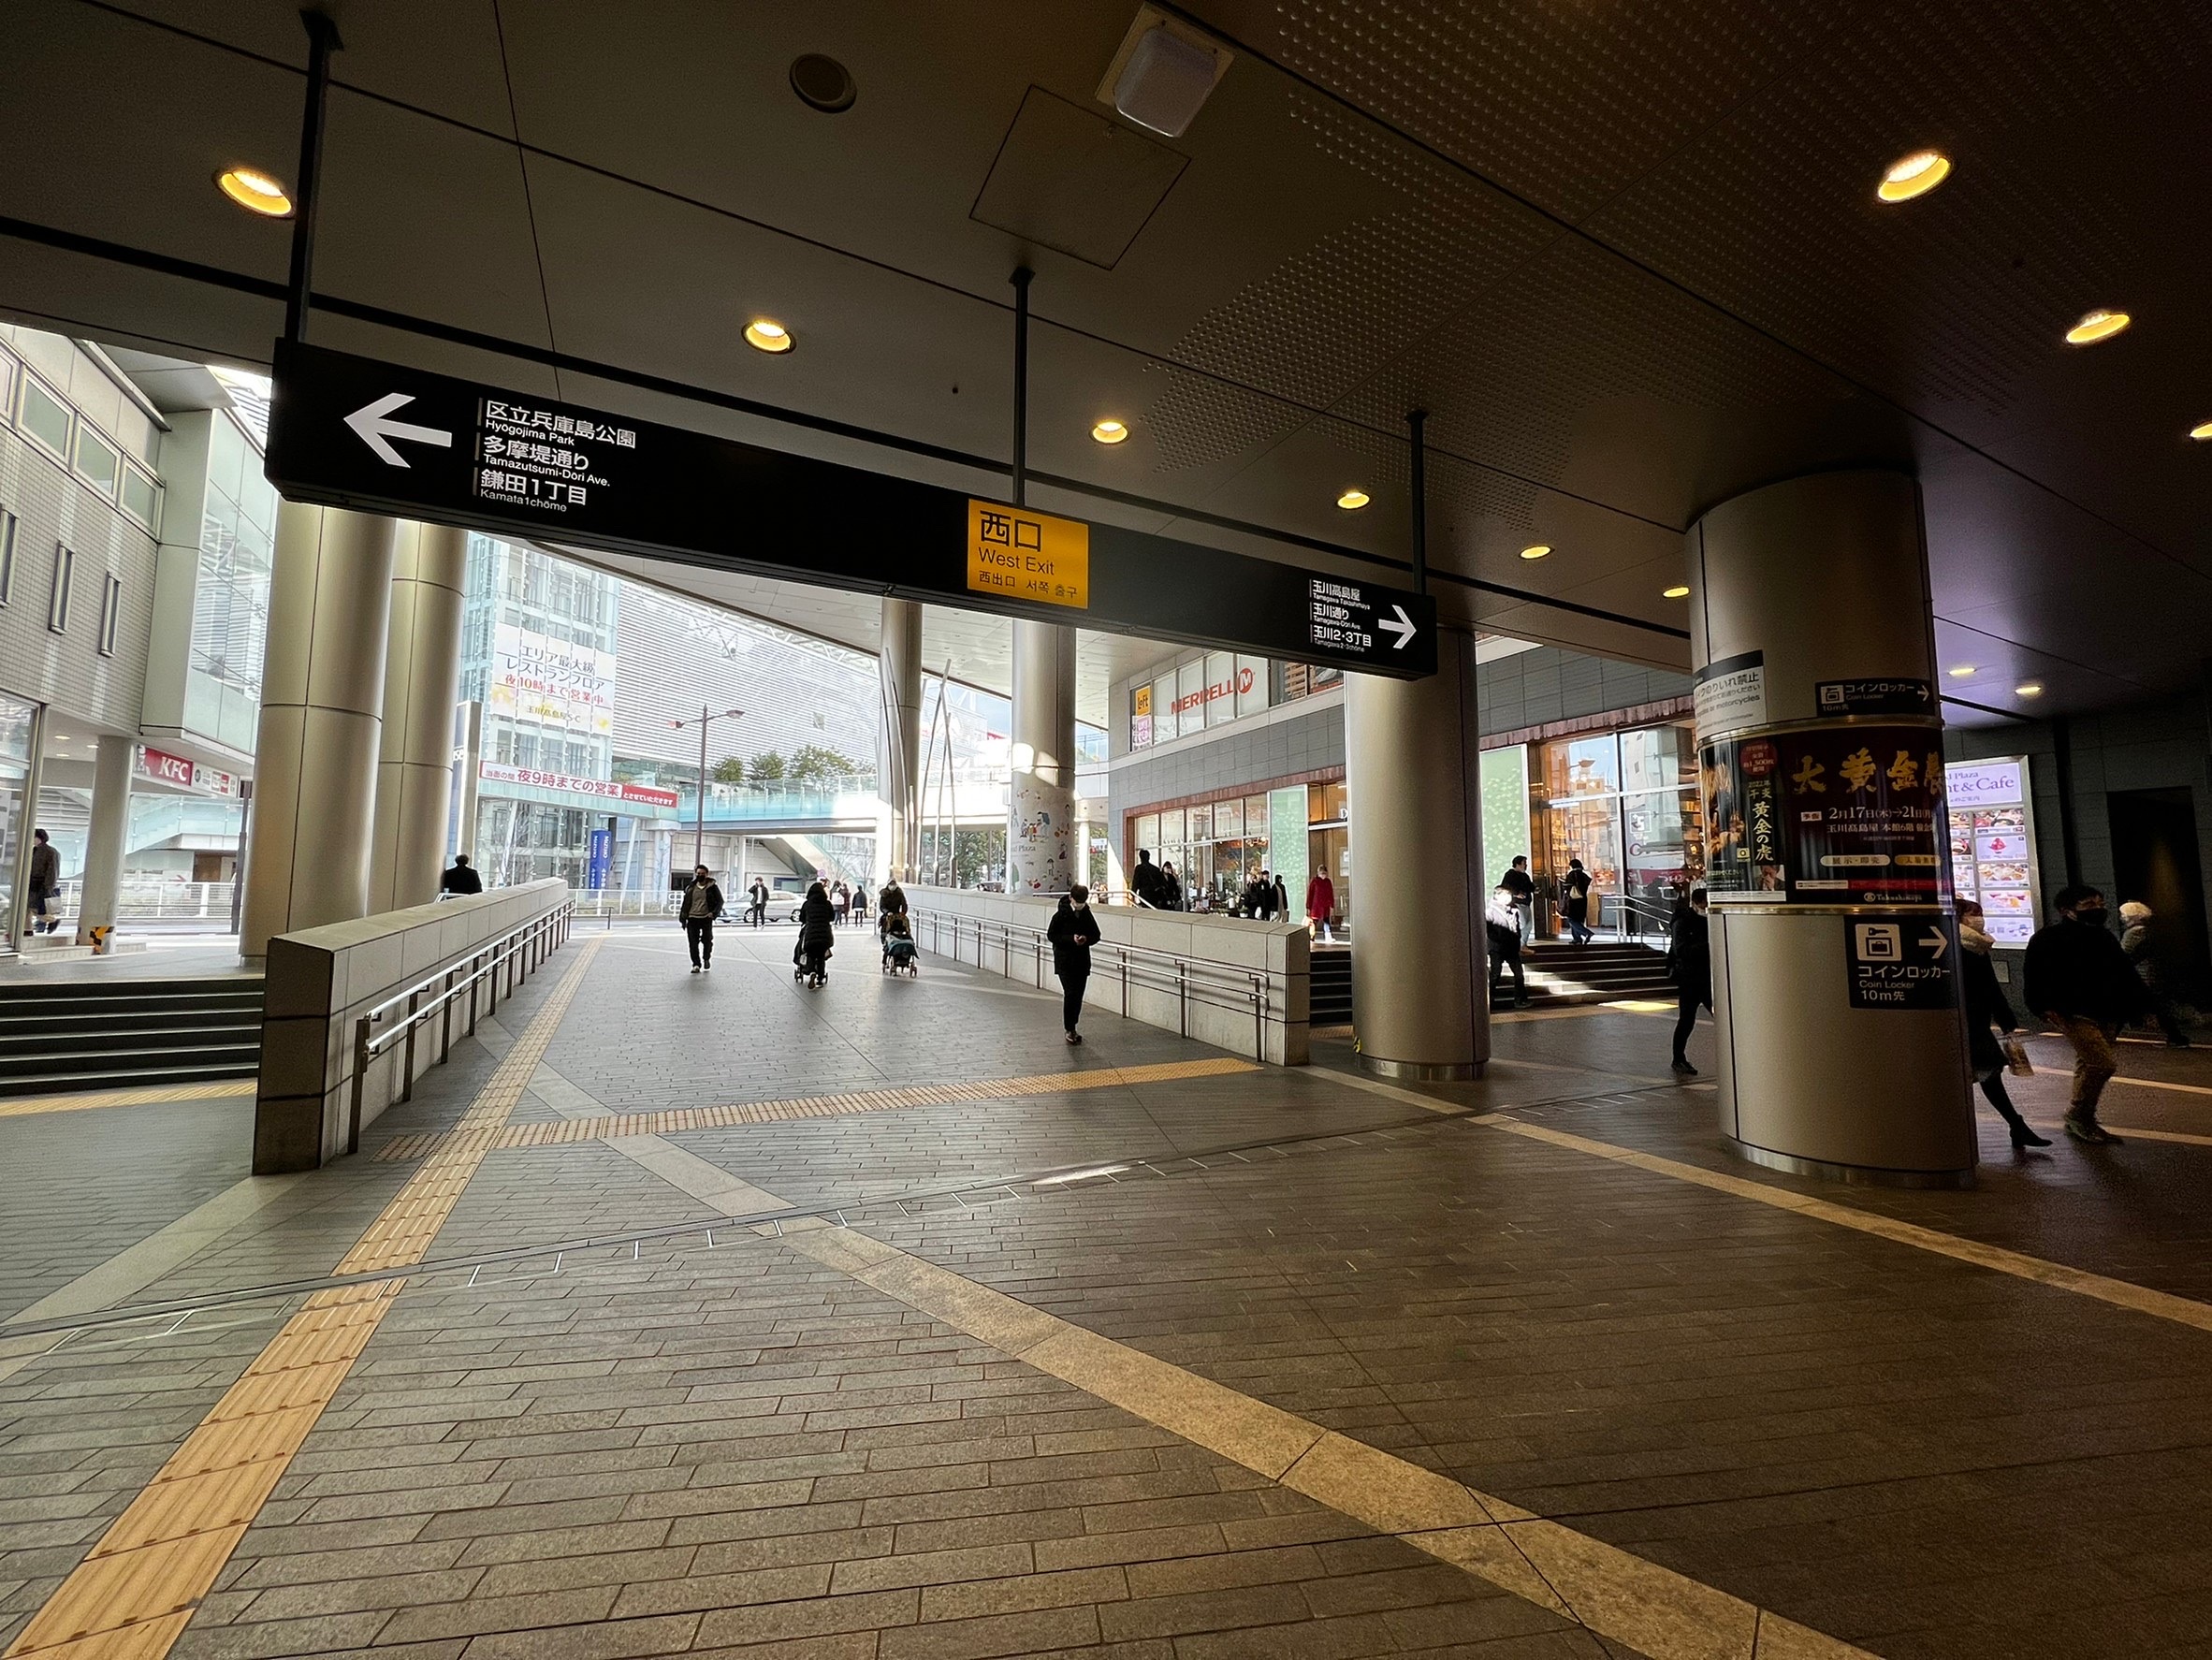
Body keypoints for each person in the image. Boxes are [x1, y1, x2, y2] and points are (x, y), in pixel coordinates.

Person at [2024, 884, 2148, 1144]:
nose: (2098, 909)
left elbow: (2125, 973)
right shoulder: (2048, 939)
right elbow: (2034, 976)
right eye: (2089, 905)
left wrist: (2141, 1006)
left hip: (2108, 1011)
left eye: (2100, 904)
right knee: (2102, 1064)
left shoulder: (2103, 936)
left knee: (2088, 1062)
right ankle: (2078, 1115)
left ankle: (2083, 1120)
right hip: (2073, 1012)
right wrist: (2041, 1007)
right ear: (2066, 910)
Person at [1959, 900, 2049, 1148]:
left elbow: (1990, 986)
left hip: (1976, 1022)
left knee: (1989, 1072)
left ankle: (2016, 1125)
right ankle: (2015, 1125)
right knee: (1987, 1073)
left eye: (1980, 913)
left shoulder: (1978, 945)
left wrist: (2005, 1017)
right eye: (1972, 914)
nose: (1978, 918)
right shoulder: (1953, 946)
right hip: (1961, 1021)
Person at [2119, 900, 2191, 1047]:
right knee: (2158, 1007)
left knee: (2138, 1005)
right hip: (2149, 974)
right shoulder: (2147, 930)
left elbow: (2124, 952)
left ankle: (2176, 1037)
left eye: (2123, 914)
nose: (2122, 918)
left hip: (2142, 974)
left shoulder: (2134, 932)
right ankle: (2176, 1037)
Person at [1048, 882, 1103, 1043]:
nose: (1080, 905)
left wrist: (1086, 939)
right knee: (1070, 993)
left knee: (1078, 995)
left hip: (1081, 961)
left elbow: (1096, 934)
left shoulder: (1086, 914)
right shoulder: (1060, 915)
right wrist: (1070, 939)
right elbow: (1052, 935)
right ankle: (1069, 1028)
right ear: (1071, 898)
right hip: (1065, 961)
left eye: (1082, 902)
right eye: (1078, 901)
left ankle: (1073, 1026)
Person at [1665, 887, 1710, 1076]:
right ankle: (1678, 1058)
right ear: (1696, 903)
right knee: (1687, 1019)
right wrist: (1709, 945)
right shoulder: (1682, 921)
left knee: (1723, 1016)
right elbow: (1681, 949)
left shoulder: (1710, 920)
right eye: (1705, 904)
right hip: (1690, 978)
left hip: (1708, 976)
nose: (1706, 908)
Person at [1485, 888, 1527, 1007]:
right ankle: (1488, 999)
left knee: (1519, 974)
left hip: (1512, 948)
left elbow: (1517, 927)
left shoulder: (1513, 910)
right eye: (1505, 895)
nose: (1508, 897)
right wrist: (1500, 940)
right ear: (1497, 896)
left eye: (1509, 895)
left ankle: (1520, 1000)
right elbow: (1488, 931)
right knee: (1495, 974)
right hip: (1497, 949)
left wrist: (1517, 940)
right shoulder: (1490, 911)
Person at [678, 864, 723, 973]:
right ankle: (696, 964)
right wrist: (683, 918)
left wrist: (713, 913)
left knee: (707, 940)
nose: (700, 875)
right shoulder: (691, 887)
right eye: (698, 873)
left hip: (706, 918)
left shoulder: (712, 887)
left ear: (707, 874)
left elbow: (720, 901)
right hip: (692, 918)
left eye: (702, 874)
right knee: (693, 943)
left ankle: (706, 958)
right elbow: (685, 903)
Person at [796, 880, 836, 983]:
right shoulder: (827, 904)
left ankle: (811, 971)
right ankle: (820, 977)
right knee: (821, 955)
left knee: (811, 953)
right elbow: (832, 917)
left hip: (811, 933)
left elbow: (801, 918)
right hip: (825, 934)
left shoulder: (807, 904)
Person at [26, 829, 59, 935]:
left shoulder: (50, 852)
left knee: (33, 908)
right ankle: (27, 929)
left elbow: (52, 871)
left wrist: (48, 886)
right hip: (33, 884)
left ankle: (52, 920)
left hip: (40, 884)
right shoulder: (34, 850)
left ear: (39, 838)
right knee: (28, 908)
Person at [1499, 856, 1535, 945]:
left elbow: (1530, 886)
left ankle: (1523, 945)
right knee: (1522, 923)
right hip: (1516, 903)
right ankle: (1516, 944)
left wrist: (1534, 889)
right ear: (1517, 864)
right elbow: (1505, 887)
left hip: (1526, 903)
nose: (1526, 866)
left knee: (1528, 925)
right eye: (1524, 863)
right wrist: (1516, 893)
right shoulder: (1510, 875)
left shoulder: (1525, 876)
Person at [1561, 858, 1594, 946]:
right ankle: (1577, 939)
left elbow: (1567, 886)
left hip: (1574, 900)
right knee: (1579, 919)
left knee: (1571, 919)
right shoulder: (1584, 875)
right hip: (1583, 899)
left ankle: (1586, 933)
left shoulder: (1572, 874)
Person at [1305, 865, 1336, 942]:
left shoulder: (1328, 882)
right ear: (1318, 873)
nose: (1323, 875)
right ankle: (1311, 937)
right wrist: (1308, 906)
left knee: (1326, 921)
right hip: (1316, 906)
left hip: (1325, 905)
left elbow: (1330, 893)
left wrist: (1332, 904)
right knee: (1314, 922)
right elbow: (1310, 894)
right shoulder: (1314, 881)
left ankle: (1328, 936)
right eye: (1322, 873)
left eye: (1324, 873)